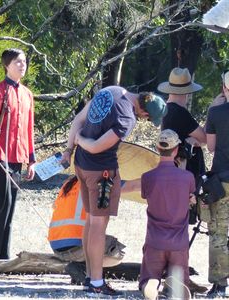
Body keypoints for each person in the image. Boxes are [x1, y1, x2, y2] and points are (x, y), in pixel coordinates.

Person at [61, 86, 167, 296]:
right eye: (147, 118)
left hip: (81, 165)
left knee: (91, 221)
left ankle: (91, 276)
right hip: (102, 173)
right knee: (99, 226)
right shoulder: (127, 118)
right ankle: (97, 283)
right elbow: (97, 146)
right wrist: (81, 140)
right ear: (144, 112)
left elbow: (78, 120)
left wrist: (69, 149)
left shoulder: (112, 90)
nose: (144, 119)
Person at [0, 48, 36, 260]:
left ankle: (4, 255)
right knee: (2, 203)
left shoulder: (27, 94)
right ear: (7, 65)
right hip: (0, 156)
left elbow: (29, 128)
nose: (22, 65)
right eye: (17, 62)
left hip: (17, 157)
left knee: (11, 207)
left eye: (23, 61)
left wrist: (31, 160)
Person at [48, 175, 137, 285]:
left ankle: (80, 268)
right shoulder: (98, 182)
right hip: (77, 246)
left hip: (57, 246)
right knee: (116, 254)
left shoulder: (69, 183)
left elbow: (55, 206)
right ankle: (83, 269)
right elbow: (133, 186)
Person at [139, 129, 196, 300]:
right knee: (179, 277)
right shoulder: (187, 177)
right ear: (177, 149)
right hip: (179, 243)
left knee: (149, 278)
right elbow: (189, 197)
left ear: (157, 148)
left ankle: (152, 284)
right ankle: (176, 286)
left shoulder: (147, 177)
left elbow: (147, 195)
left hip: (155, 241)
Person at [204, 69, 229, 298]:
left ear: (224, 88)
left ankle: (220, 285)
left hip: (222, 181)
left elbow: (210, 147)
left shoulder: (216, 112)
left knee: (218, 234)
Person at [158, 67, 206, 180]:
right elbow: (205, 139)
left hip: (173, 170)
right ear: (188, 91)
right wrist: (213, 111)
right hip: (186, 172)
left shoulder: (167, 110)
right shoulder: (180, 113)